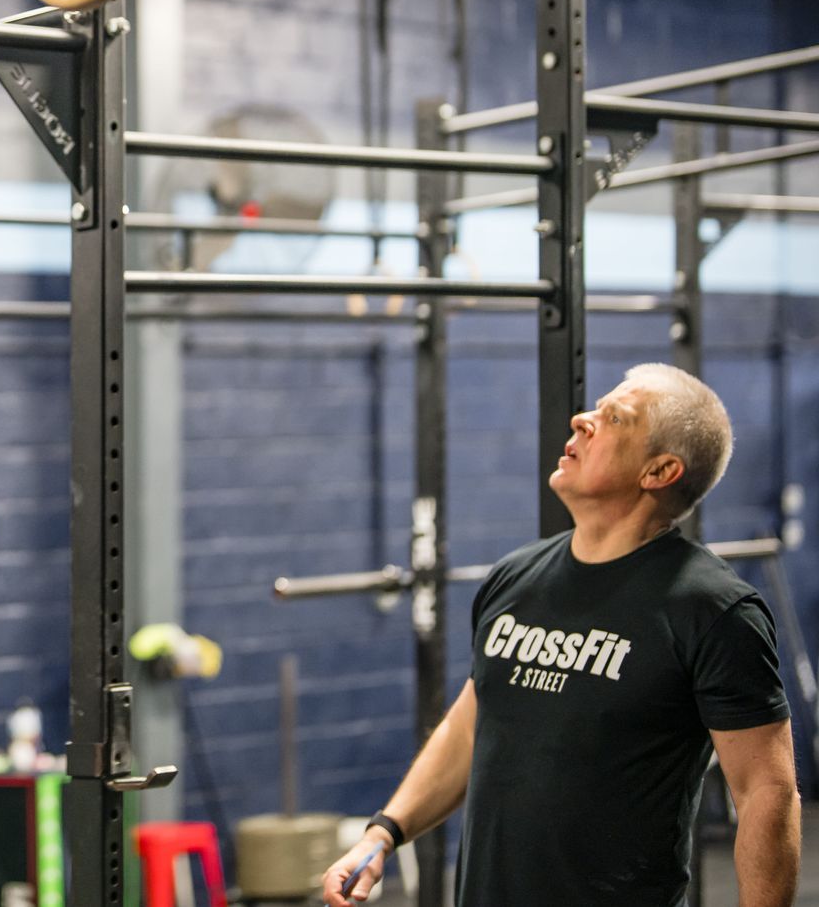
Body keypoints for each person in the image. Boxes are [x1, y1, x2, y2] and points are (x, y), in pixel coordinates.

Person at [324, 363, 800, 907]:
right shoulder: (515, 578)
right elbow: (475, 719)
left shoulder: (713, 609)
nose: (581, 419)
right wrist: (384, 832)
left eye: (614, 418)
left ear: (659, 470)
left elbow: (767, 792)